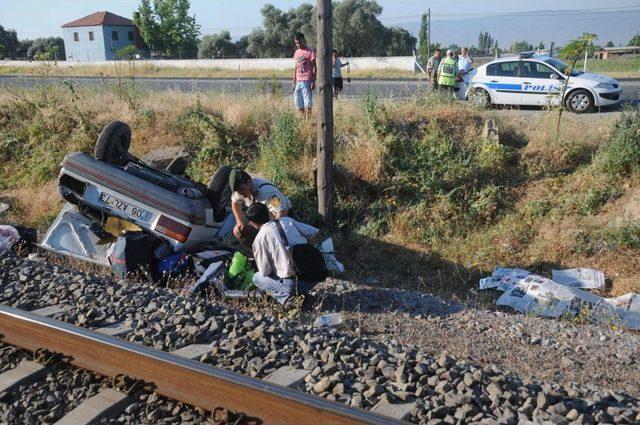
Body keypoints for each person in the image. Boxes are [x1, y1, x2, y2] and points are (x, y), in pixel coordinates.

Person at [247, 203, 323, 305]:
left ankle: (288, 299)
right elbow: (315, 233)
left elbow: (265, 272)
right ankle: (301, 294)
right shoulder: (287, 221)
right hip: (315, 276)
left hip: (293, 285)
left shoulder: (259, 239)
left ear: (253, 223)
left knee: (257, 277)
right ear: (269, 213)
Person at [229, 169, 292, 246]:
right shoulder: (241, 190)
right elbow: (235, 203)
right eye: (238, 192)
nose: (241, 194)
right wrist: (239, 222)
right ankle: (259, 252)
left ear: (249, 182)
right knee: (241, 231)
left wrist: (273, 232)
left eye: (242, 190)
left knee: (273, 240)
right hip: (262, 220)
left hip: (282, 219)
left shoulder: (267, 192)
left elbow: (282, 211)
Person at [292, 32, 316, 116]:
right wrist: (294, 82)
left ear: (304, 40)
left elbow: (314, 67)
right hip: (298, 81)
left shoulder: (310, 51)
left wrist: (313, 81)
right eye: (296, 43)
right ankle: (303, 119)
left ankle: (309, 120)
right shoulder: (297, 52)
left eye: (300, 42)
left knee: (308, 102)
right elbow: (296, 67)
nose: (298, 44)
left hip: (307, 80)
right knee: (298, 102)